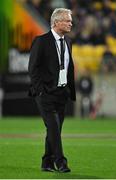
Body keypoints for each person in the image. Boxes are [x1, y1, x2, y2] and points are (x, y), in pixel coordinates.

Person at [28, 8, 76, 173]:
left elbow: (68, 68)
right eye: (68, 21)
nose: (71, 23)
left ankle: (46, 162)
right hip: (45, 94)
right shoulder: (41, 41)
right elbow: (33, 68)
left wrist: (68, 90)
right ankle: (60, 162)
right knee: (54, 128)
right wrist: (40, 90)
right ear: (56, 22)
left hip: (62, 93)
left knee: (54, 130)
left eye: (70, 21)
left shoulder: (68, 42)